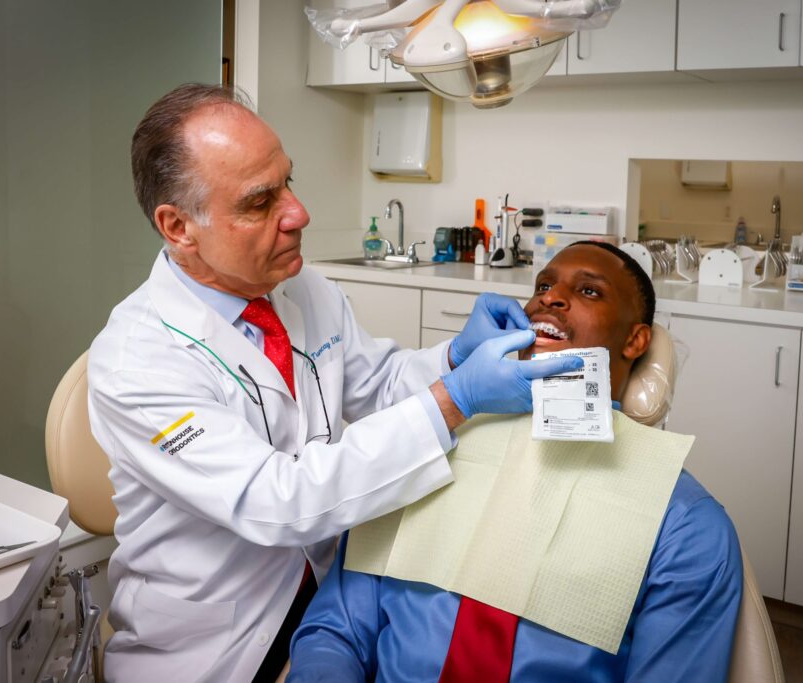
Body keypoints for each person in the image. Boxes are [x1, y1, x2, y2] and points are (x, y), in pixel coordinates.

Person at [86, 83, 581, 683]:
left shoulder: (300, 287)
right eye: (260, 202)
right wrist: (456, 399)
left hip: (327, 611)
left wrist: (455, 356)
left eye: (288, 183)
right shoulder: (137, 359)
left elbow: (379, 384)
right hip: (210, 650)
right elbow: (279, 501)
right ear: (178, 227)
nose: (298, 214)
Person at [286, 242, 744, 683]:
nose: (551, 297)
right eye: (543, 285)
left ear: (635, 340)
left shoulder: (682, 522)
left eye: (588, 291)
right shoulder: (421, 453)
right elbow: (335, 634)